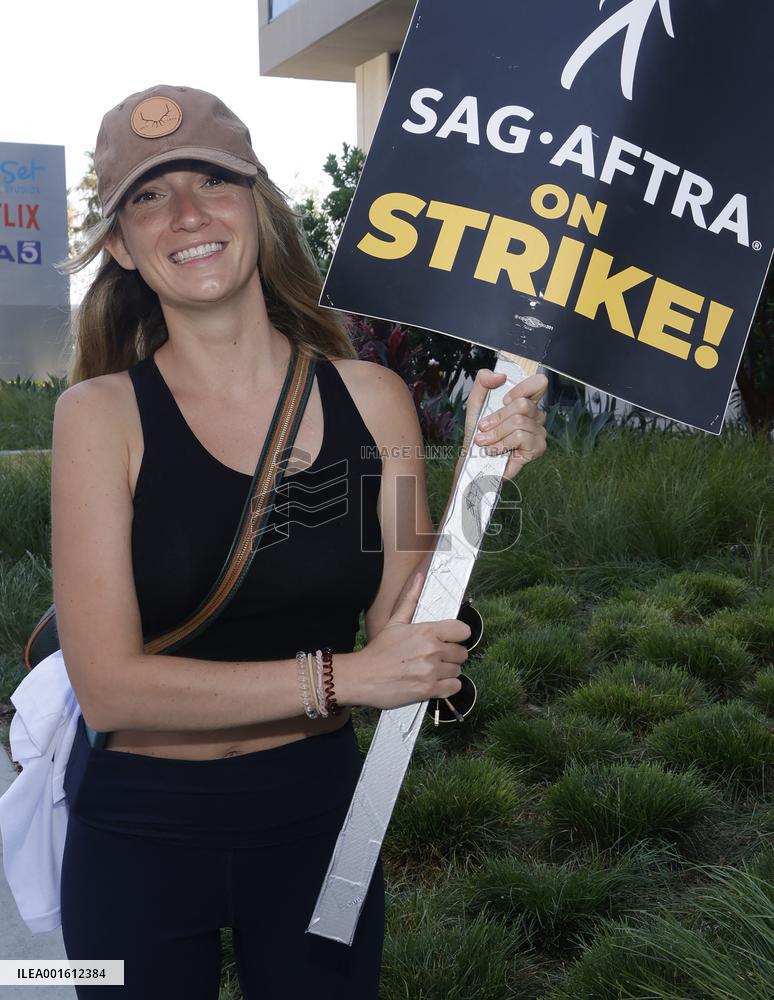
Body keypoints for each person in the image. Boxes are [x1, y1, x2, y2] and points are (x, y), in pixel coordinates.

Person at [52, 84, 548, 999]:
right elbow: (108, 685)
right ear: (121, 244)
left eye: (212, 182)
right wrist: (345, 678)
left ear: (258, 205)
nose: (188, 214)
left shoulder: (373, 399)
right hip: (138, 833)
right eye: (149, 197)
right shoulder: (98, 417)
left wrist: (483, 478)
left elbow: (413, 618)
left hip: (322, 818)